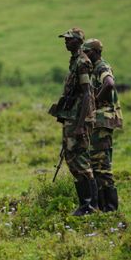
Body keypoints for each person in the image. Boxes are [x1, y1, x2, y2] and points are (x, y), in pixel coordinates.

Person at [55, 28, 97, 215]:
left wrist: (81, 124)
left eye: (69, 39)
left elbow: (88, 93)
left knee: (81, 162)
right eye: (65, 39)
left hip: (79, 120)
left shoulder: (82, 62)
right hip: (71, 118)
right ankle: (84, 204)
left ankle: (90, 205)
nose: (66, 42)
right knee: (72, 161)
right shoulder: (74, 61)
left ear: (78, 41)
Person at [82, 39, 123, 212]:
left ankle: (111, 209)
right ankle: (102, 207)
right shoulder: (92, 69)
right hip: (96, 122)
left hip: (102, 121)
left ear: (96, 52)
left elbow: (109, 84)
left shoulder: (101, 67)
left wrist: (95, 100)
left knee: (102, 166)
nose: (85, 55)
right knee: (96, 165)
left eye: (88, 52)